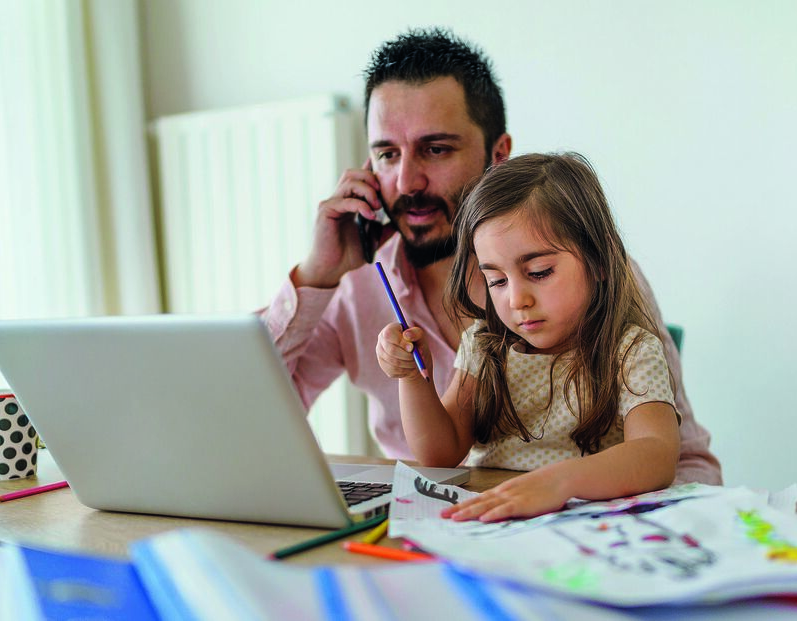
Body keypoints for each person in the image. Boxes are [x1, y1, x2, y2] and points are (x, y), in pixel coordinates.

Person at [261, 27, 721, 485]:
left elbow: (682, 459)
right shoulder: (363, 284)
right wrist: (317, 275)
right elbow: (247, 410)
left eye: (435, 149)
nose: (406, 182)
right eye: (386, 154)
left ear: (498, 155)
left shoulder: (606, 283)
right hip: (455, 524)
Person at [377, 152, 681, 521]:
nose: (516, 299)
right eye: (497, 281)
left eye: (538, 272)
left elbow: (656, 454)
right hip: (493, 524)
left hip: (587, 532)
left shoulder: (630, 351)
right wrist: (411, 378)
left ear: (599, 260)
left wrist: (560, 482)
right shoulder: (484, 346)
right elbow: (439, 455)